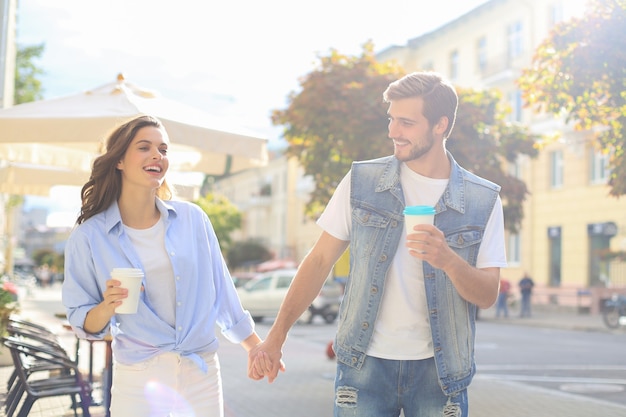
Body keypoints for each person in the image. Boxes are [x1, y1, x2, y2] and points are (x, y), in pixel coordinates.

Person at [249, 71, 507, 416]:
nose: (393, 131)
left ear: (440, 125)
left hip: (441, 374)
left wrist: (448, 259)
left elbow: (488, 293)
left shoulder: (482, 199)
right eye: (391, 119)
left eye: (406, 122)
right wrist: (276, 337)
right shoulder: (362, 181)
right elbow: (318, 261)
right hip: (363, 366)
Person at [62, 115, 272, 416]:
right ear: (119, 160)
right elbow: (83, 322)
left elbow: (222, 291)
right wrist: (108, 306)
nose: (157, 156)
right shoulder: (89, 237)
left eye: (163, 149)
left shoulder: (193, 219)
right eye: (144, 147)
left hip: (200, 371)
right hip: (138, 375)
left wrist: (254, 347)